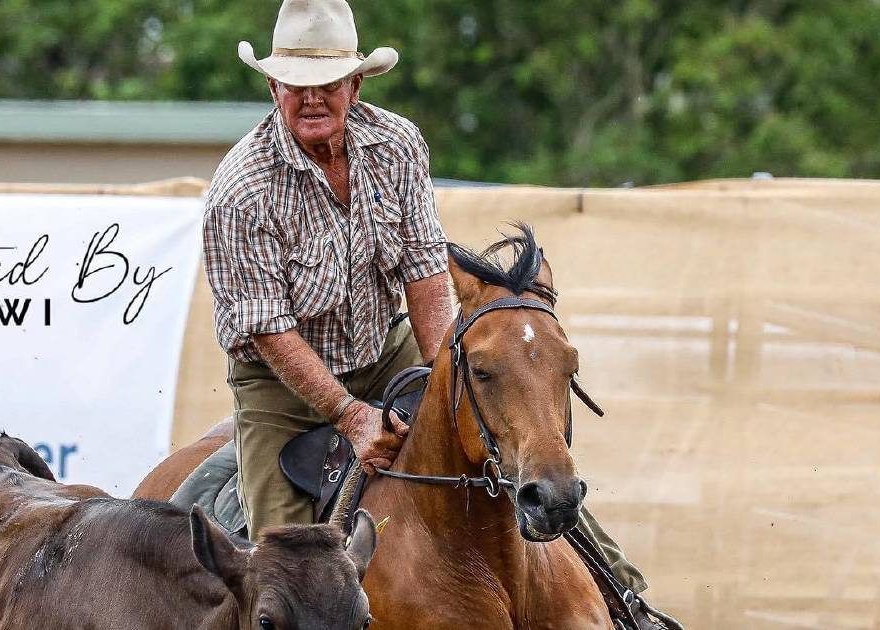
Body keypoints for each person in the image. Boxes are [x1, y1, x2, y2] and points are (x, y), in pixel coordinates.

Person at [203, 2, 674, 626]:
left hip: (388, 346)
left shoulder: (397, 145)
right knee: (290, 570)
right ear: (273, 89)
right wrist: (349, 416)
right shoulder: (241, 189)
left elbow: (426, 272)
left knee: (514, 438)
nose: (312, 100)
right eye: (296, 87)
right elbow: (268, 328)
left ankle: (626, 599)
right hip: (281, 387)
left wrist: (444, 368)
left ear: (355, 84)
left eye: (327, 85)